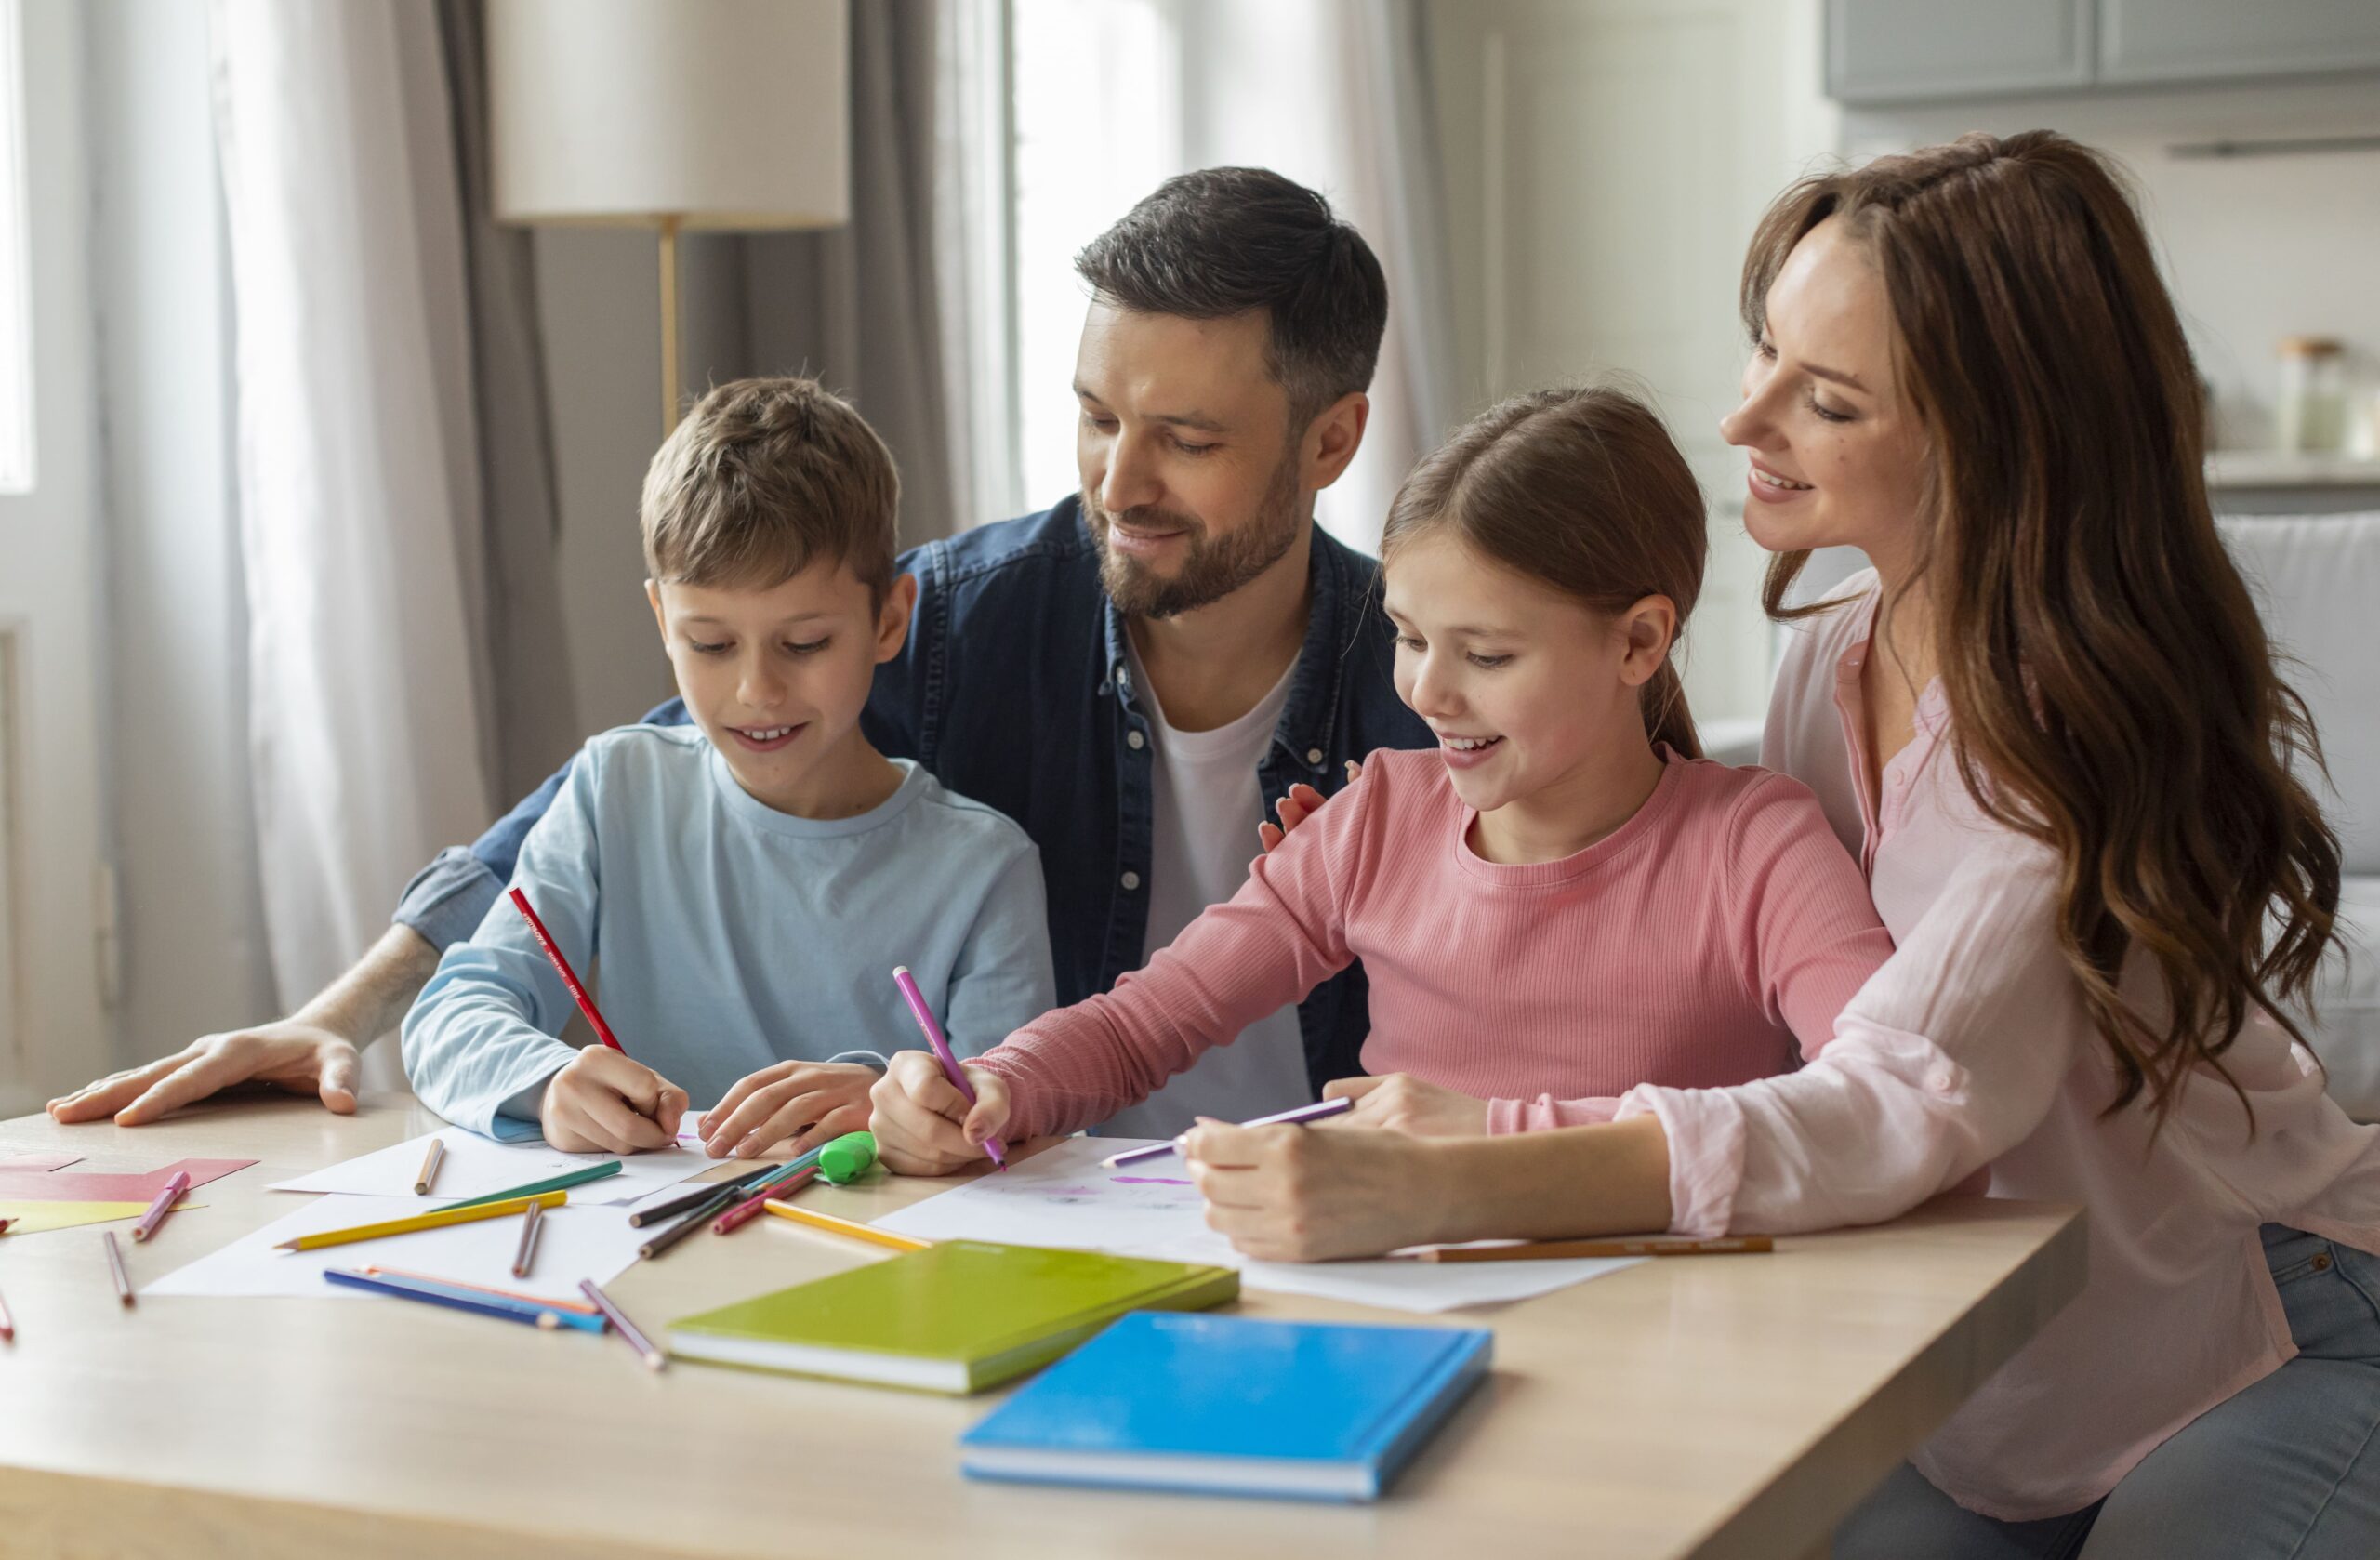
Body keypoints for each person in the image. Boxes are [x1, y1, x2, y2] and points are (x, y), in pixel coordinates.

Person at [1191, 132, 2380, 1556]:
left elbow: (1898, 1093)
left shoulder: (2077, 735)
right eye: (1762, 352)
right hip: (1991, 1365)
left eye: (1823, 400)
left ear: (1997, 437)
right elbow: (1720, 912)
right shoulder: (1832, 659)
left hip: (2264, 1314)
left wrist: (1466, 1167)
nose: (1743, 419)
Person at [47, 167, 1431, 1140]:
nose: (1117, 481)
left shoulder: (1426, 688)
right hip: (1040, 1210)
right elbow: (645, 761)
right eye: (1094, 417)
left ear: (1331, 439)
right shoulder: (967, 617)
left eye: (1185, 440)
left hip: (1332, 1217)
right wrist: (336, 1015)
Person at [868, 385, 1895, 1173]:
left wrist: (1489, 1135)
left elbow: (1872, 1103)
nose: (1429, 692)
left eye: (1486, 656)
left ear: (1638, 642)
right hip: (1409, 1310)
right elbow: (1150, 1021)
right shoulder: (1379, 815)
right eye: (1408, 638)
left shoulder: (1757, 844)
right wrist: (993, 1086)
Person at [400, 377, 1052, 1156]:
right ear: (661, 622)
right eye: (710, 644)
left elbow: (1006, 1119)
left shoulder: (985, 865)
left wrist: (897, 1112)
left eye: (805, 644)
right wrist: (547, 1081)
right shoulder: (617, 791)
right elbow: (449, 1017)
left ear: (889, 620)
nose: (756, 691)